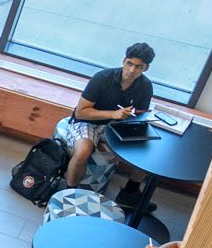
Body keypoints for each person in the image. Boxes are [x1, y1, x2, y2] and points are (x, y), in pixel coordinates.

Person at [61, 42, 155, 188]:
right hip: (88, 122)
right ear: (124, 61)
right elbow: (81, 112)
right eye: (130, 63)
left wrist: (133, 117)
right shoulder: (102, 78)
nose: (131, 70)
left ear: (146, 68)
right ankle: (69, 190)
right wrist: (113, 114)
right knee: (82, 153)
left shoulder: (146, 86)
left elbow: (140, 114)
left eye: (139, 67)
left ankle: (131, 191)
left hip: (117, 126)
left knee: (147, 152)